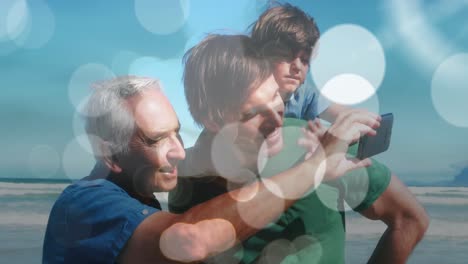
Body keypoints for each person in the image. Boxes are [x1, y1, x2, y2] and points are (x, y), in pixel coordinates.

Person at [42, 74, 376, 262]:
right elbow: (190, 240)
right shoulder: (85, 203)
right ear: (110, 155)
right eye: (158, 139)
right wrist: (312, 168)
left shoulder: (138, 198)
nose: (177, 151)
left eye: (177, 132)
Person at [169, 32, 428, 263]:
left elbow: (409, 219)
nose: (276, 120)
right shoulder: (188, 180)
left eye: (275, 97)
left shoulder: (311, 142)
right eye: (255, 113)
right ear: (213, 120)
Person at [249, 3, 429, 263]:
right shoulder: (245, 110)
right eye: (286, 55)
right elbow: (412, 220)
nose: (297, 66)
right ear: (260, 55)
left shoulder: (303, 94)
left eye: (305, 59)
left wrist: (355, 127)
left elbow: (340, 113)